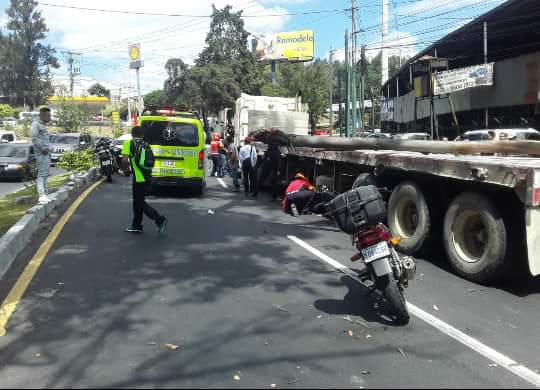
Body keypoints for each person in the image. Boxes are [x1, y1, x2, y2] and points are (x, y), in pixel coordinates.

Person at [122, 126, 167, 234]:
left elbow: (124, 160)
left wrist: (125, 170)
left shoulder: (129, 143)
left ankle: (159, 219)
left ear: (132, 134)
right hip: (148, 177)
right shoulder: (147, 145)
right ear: (142, 135)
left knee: (139, 203)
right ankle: (136, 225)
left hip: (139, 179)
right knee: (137, 202)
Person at [31, 107, 52, 204]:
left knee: (46, 174)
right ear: (42, 115)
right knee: (41, 174)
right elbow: (34, 139)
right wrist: (43, 149)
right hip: (41, 153)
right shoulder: (35, 124)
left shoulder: (42, 125)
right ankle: (42, 195)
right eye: (48, 115)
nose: (50, 117)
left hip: (47, 153)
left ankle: (46, 194)